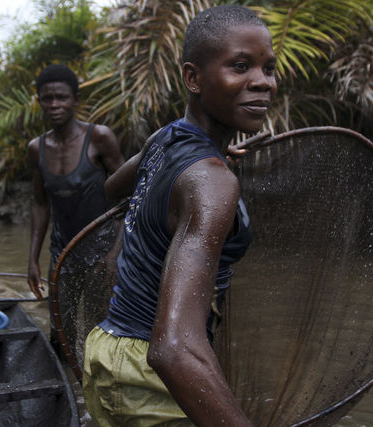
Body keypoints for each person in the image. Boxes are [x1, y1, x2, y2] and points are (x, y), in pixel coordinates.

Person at [82, 5, 277, 426]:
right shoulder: (212, 182)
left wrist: (205, 155)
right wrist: (206, 167)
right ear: (193, 78)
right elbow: (172, 347)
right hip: (145, 376)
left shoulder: (165, 139)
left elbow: (112, 187)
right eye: (240, 66)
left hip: (107, 348)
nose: (262, 82)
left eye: (268, 68)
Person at [27, 64, 125, 345]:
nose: (55, 104)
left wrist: (115, 255)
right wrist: (33, 259)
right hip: (62, 254)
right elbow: (40, 204)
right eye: (47, 98)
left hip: (101, 254)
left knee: (98, 332)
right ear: (40, 102)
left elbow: (129, 200)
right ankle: (69, 385)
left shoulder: (100, 138)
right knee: (61, 333)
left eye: (62, 97)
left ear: (75, 100)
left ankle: (94, 388)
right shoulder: (37, 148)